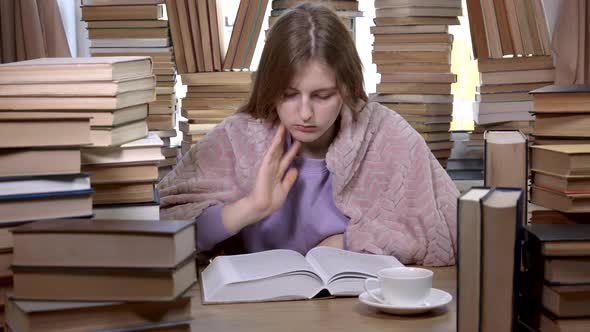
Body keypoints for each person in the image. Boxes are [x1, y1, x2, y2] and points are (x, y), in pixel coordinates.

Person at [159, 3, 459, 266]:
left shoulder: (387, 134)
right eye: (289, 94)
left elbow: (444, 230)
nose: (305, 113)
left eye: (323, 95)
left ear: (347, 89)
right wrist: (251, 207)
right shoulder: (236, 137)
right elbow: (167, 232)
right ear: (270, 88)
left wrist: (345, 245)